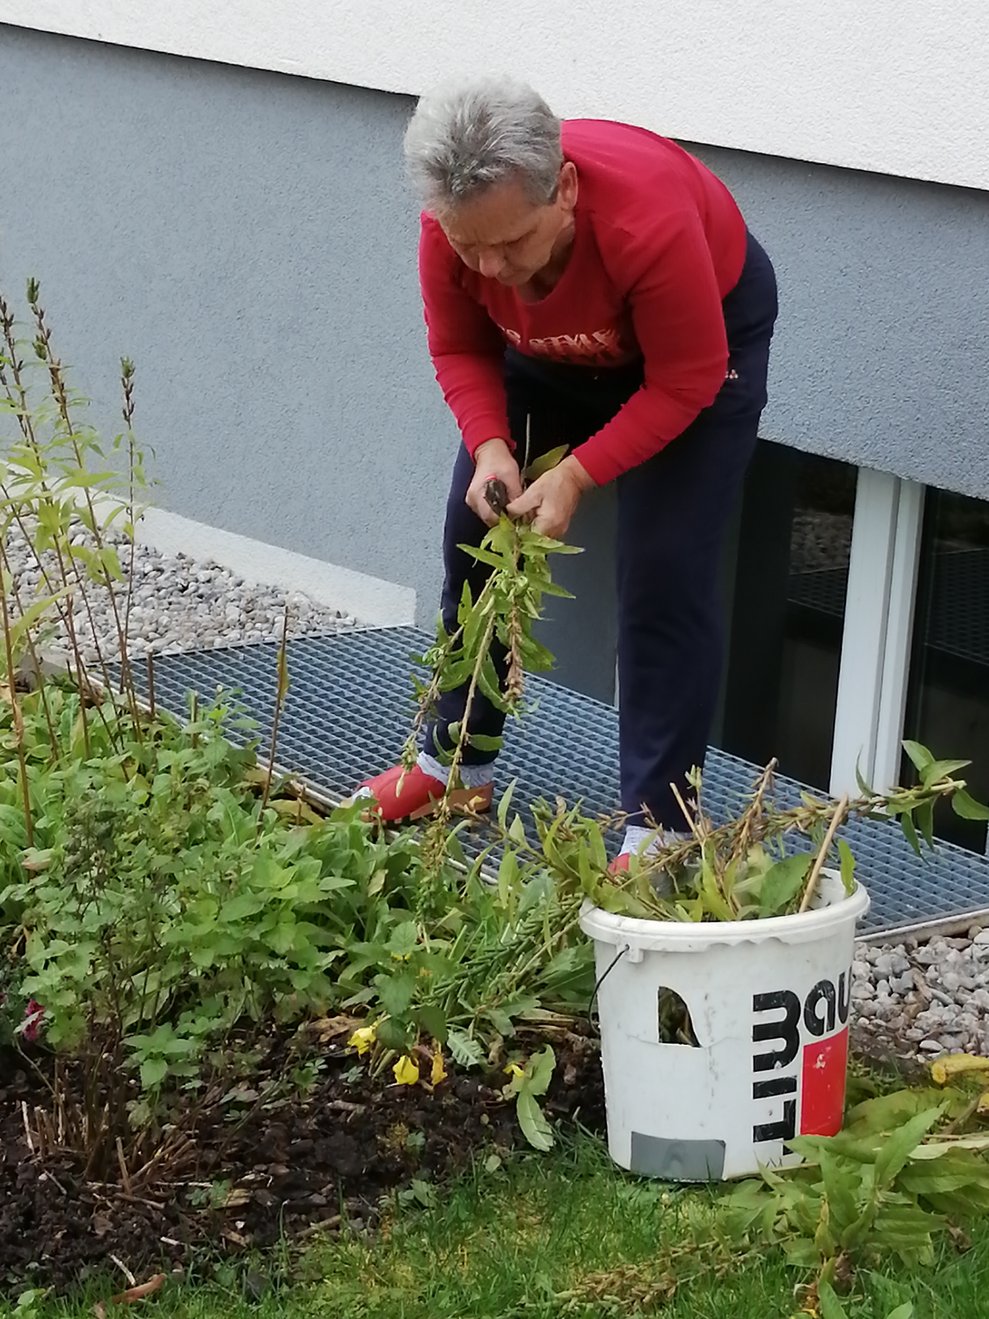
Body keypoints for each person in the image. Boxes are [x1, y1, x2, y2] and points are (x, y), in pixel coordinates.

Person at [355, 76, 778, 868]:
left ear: (565, 190)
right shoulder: (456, 227)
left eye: (511, 243)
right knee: (471, 529)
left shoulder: (645, 221)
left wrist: (578, 474)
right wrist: (488, 445)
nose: (491, 266)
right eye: (467, 245)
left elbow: (684, 380)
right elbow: (460, 346)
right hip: (549, 357)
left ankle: (662, 825)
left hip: (693, 347)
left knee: (662, 569)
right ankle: (455, 766)